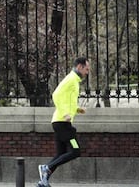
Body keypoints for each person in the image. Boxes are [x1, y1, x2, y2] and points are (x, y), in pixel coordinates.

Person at [36, 57, 90, 187]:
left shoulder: (74, 80)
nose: (87, 72)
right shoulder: (71, 79)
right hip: (62, 123)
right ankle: (46, 167)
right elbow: (56, 95)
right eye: (86, 69)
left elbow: (67, 100)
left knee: (61, 154)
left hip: (59, 122)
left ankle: (43, 181)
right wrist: (66, 113)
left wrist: (77, 109)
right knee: (75, 150)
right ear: (79, 67)